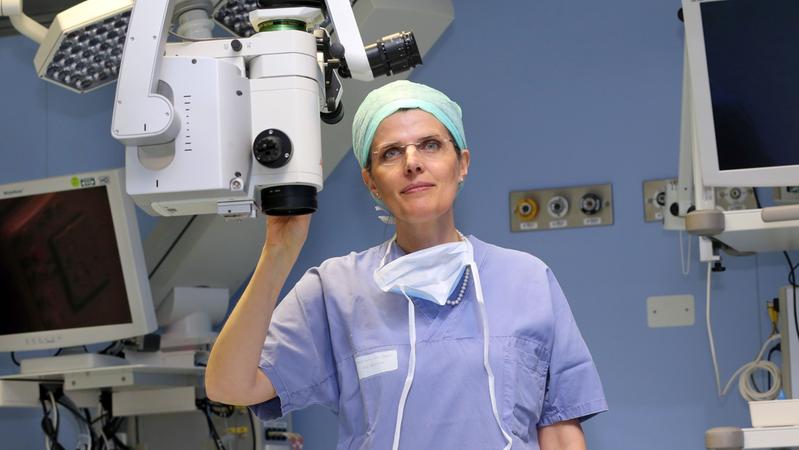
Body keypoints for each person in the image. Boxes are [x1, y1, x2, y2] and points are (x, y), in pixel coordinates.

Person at [205, 80, 607, 450]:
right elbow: (229, 387)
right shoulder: (336, 290)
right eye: (391, 153)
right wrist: (278, 250)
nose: (412, 162)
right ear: (371, 182)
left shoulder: (527, 280)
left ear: (462, 163)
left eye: (430, 145)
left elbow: (559, 428)